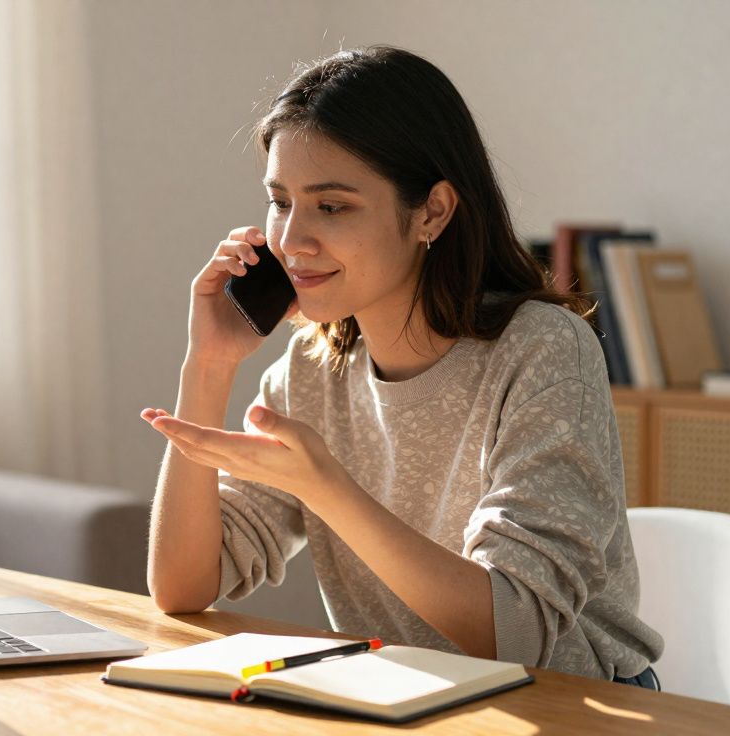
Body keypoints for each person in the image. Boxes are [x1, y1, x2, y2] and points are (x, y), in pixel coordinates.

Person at [140, 45, 663, 687]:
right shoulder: (311, 365)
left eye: (331, 206)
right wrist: (210, 364)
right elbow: (182, 588)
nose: (292, 239)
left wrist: (326, 486)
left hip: (568, 707)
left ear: (432, 212)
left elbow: (518, 635)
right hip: (404, 698)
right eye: (281, 202)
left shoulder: (544, 350)